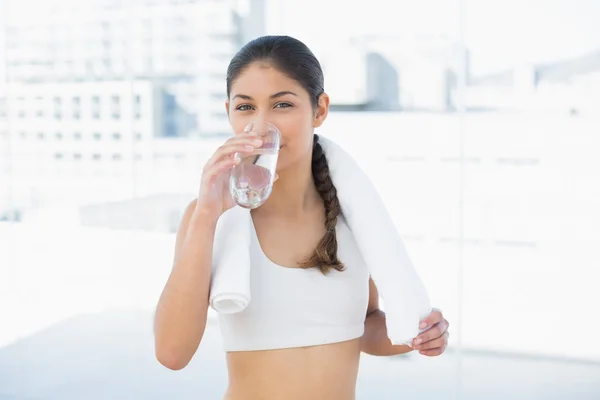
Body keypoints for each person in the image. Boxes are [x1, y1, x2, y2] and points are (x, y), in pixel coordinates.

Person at [154, 35, 450, 400]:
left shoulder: (352, 219)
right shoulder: (208, 217)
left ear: (319, 109)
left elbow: (365, 328)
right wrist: (206, 214)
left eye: (282, 105)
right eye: (245, 108)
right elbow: (171, 353)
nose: (262, 127)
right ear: (228, 111)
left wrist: (419, 334)